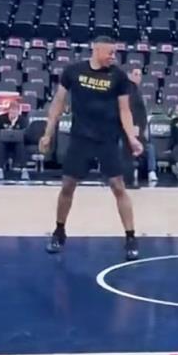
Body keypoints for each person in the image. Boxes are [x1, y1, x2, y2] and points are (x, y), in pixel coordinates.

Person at [39, 36, 143, 260]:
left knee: (118, 186)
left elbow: (125, 110)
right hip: (80, 139)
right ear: (96, 50)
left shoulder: (118, 76)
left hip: (107, 139)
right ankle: (59, 232)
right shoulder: (73, 71)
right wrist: (48, 133)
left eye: (115, 53)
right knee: (68, 186)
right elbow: (58, 103)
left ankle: (131, 237)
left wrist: (132, 138)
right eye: (110, 52)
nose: (113, 57)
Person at [126, 67, 158, 186]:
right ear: (130, 75)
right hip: (129, 128)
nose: (138, 77)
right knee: (128, 147)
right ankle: (131, 171)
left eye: (140, 75)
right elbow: (129, 111)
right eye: (135, 74)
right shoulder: (128, 90)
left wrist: (141, 126)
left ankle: (151, 171)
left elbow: (141, 113)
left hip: (139, 128)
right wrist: (132, 126)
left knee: (149, 147)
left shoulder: (137, 91)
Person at [0, 97, 29, 181]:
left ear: (18, 111)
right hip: (4, 143)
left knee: (20, 145)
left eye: (15, 111)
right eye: (11, 110)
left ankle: (24, 170)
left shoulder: (23, 120)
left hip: (17, 143)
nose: (13, 113)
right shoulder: (0, 119)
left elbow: (27, 134)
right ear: (8, 110)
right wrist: (0, 137)